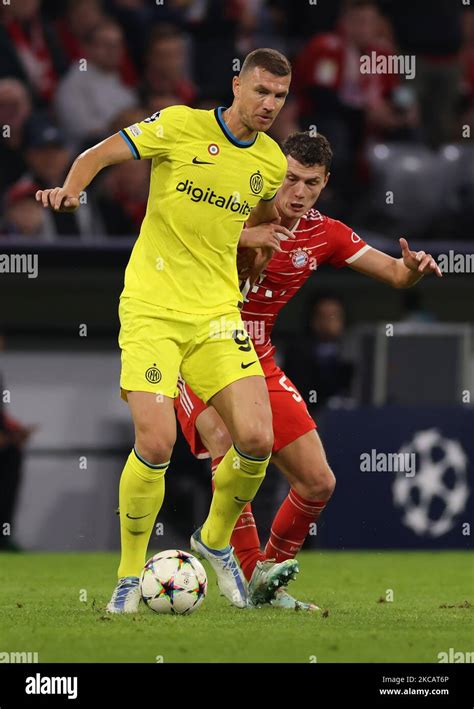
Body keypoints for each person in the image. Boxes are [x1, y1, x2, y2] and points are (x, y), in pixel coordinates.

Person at [35, 48, 297, 613]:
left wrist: (251, 246)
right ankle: (129, 578)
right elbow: (101, 152)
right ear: (236, 85)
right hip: (153, 309)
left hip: (216, 315)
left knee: (257, 439)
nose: (270, 104)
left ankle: (214, 538)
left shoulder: (271, 164)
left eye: (279, 96)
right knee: (156, 442)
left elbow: (247, 223)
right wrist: (73, 188)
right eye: (261, 91)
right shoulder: (180, 126)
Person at [175, 130, 442, 610]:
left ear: (325, 184)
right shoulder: (233, 210)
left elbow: (396, 275)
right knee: (225, 439)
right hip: (199, 347)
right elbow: (177, 234)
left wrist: (413, 267)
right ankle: (235, 562)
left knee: (319, 482)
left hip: (256, 358)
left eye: (311, 184)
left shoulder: (325, 233)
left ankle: (264, 580)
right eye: (290, 179)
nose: (298, 193)